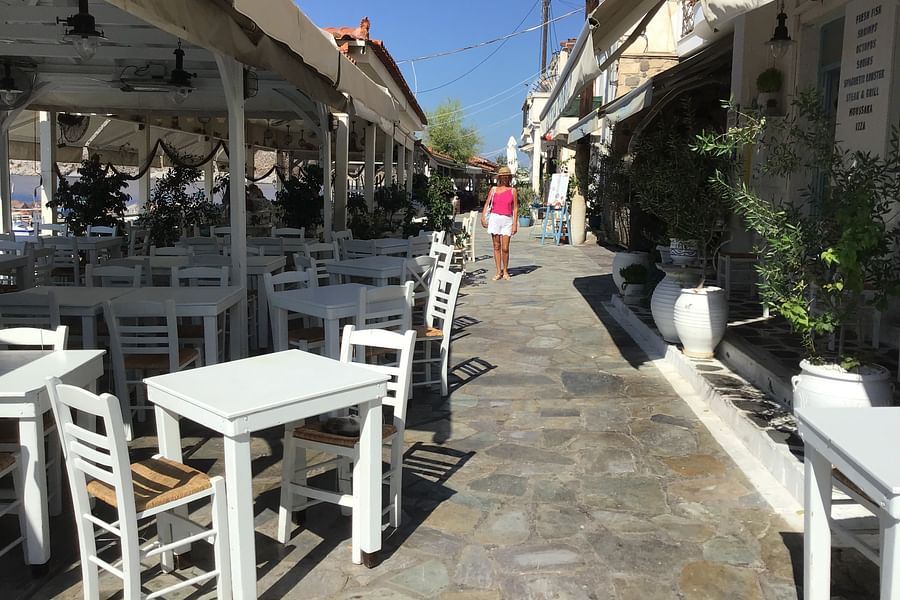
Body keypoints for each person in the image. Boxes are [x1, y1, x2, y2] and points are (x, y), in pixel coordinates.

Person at [481, 166, 518, 281]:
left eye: (507, 176)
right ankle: (498, 271)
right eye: (503, 176)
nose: (505, 178)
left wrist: (515, 223)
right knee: (496, 245)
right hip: (494, 218)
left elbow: (515, 208)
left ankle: (505, 270)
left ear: (509, 177)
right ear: (500, 177)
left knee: (505, 248)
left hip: (507, 219)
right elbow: (487, 204)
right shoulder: (493, 190)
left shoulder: (513, 191)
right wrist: (483, 217)